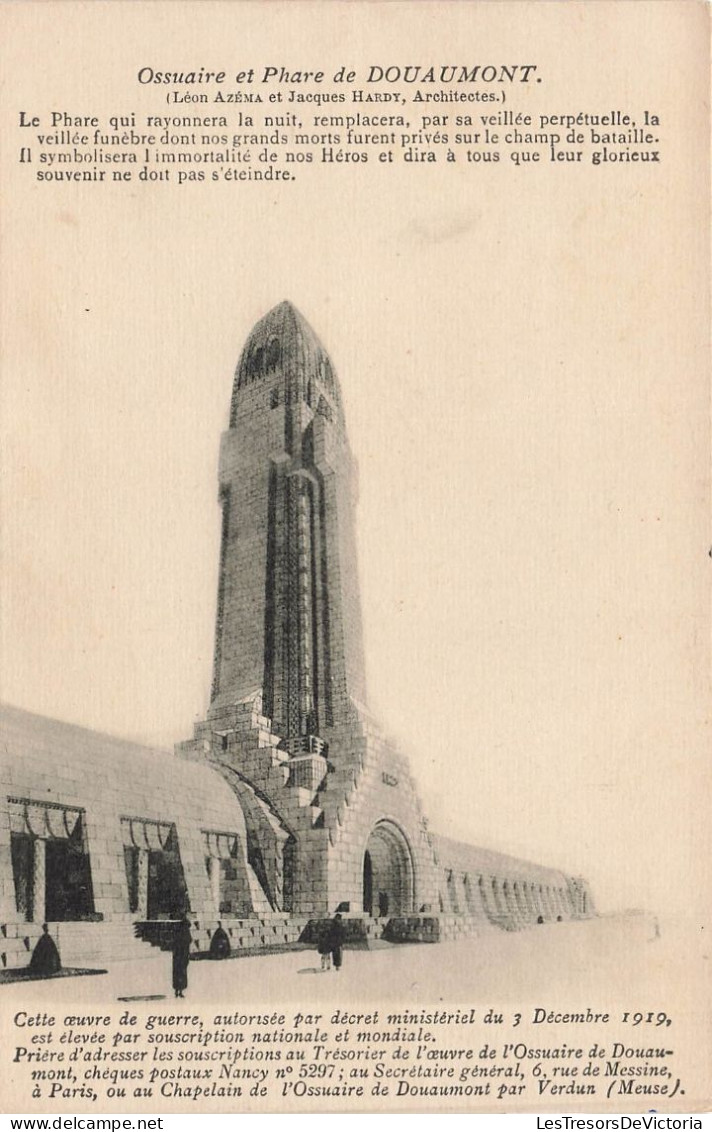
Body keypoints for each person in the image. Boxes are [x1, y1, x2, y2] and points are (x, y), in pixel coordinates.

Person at [172, 913, 192, 997]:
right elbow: (189, 940)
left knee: (177, 972)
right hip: (183, 954)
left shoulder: (177, 930)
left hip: (177, 954)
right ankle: (180, 991)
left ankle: (177, 990)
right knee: (182, 972)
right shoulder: (186, 930)